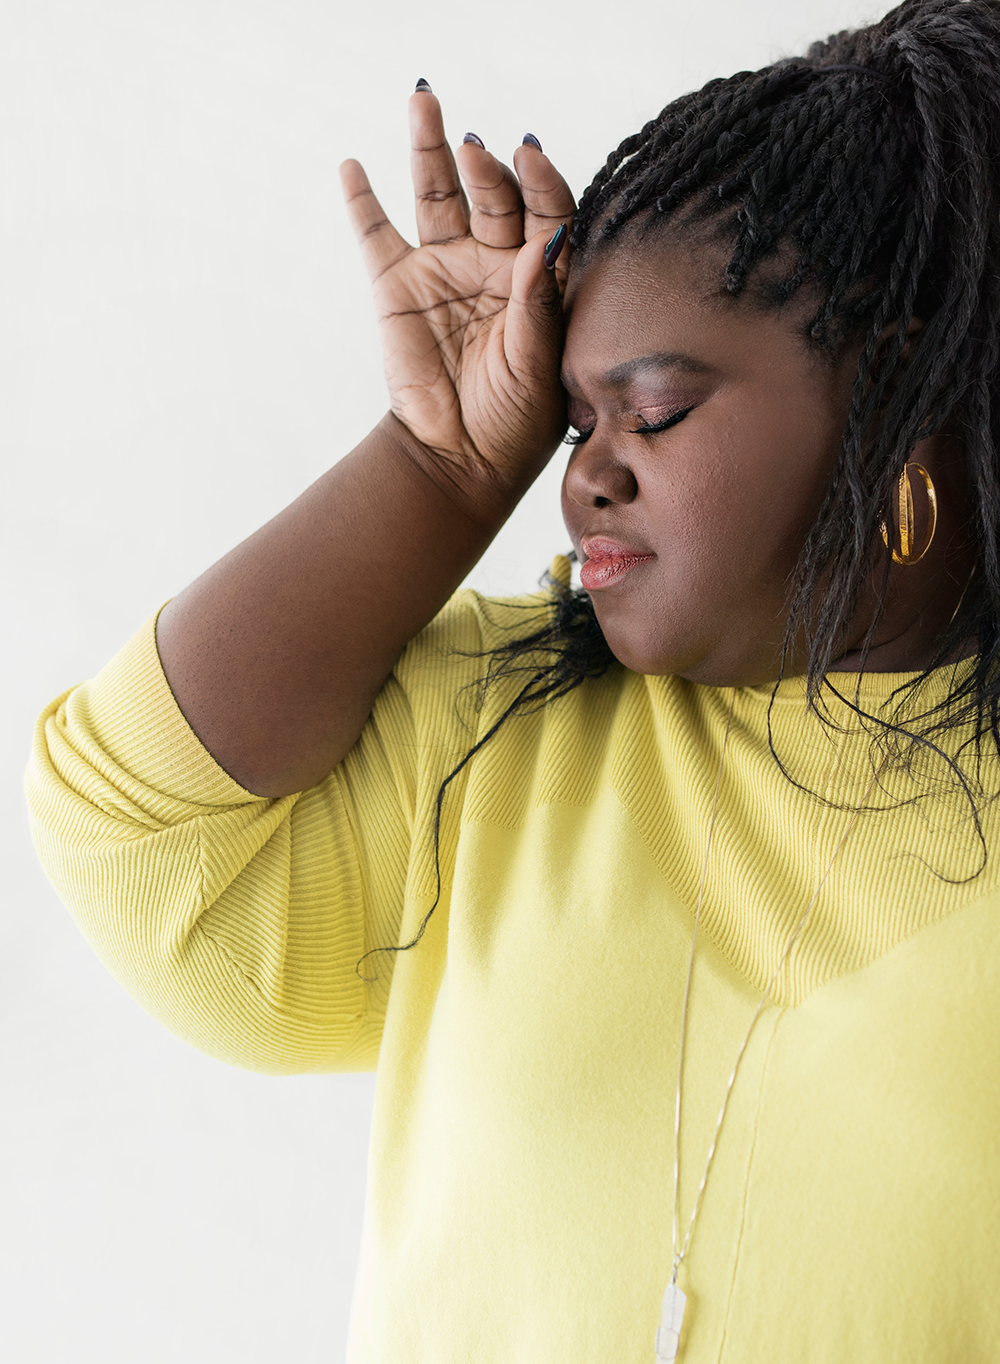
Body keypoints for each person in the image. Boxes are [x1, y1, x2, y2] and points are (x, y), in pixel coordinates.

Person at [26, 0, 1000, 1358]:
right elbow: (137, 836)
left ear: (895, 401)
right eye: (573, 417)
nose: (584, 472)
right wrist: (439, 466)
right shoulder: (508, 723)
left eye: (651, 411)